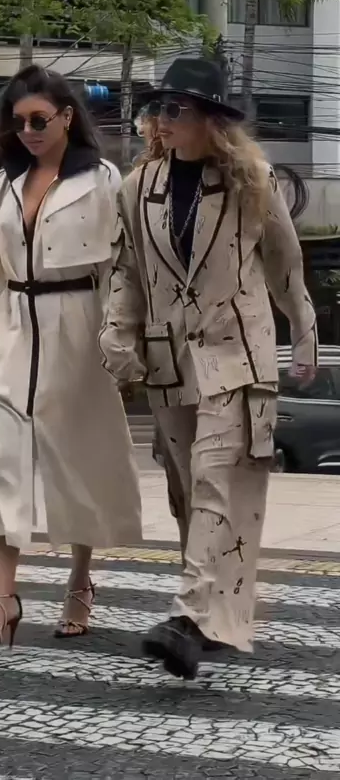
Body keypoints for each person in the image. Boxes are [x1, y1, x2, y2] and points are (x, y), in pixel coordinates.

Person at [99, 57, 317, 680]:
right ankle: (217, 620)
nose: (162, 120)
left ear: (211, 121)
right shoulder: (137, 187)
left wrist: (304, 332)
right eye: (159, 108)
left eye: (177, 109)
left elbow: (284, 264)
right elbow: (128, 270)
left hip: (238, 353)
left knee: (219, 480)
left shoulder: (252, 181)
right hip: (169, 359)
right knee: (190, 494)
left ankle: (187, 616)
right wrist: (117, 333)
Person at [0, 64, 142, 646]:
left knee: (78, 456)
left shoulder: (103, 179)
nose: (28, 132)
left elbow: (121, 265)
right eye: (17, 123)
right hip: (12, 326)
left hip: (78, 324)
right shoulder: (4, 182)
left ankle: (81, 579)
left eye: (39, 120)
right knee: (0, 461)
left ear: (66, 117)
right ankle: (1, 599)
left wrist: (120, 336)